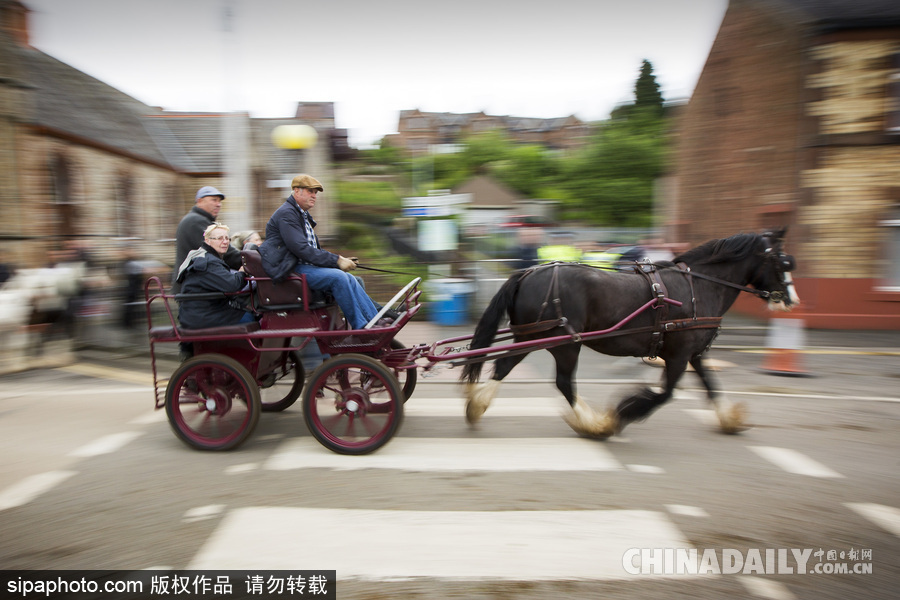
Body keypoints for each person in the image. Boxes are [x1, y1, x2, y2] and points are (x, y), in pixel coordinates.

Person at [258, 174, 392, 330]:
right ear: (297, 191)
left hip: (302, 266)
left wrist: (339, 260)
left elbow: (311, 250)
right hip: (290, 269)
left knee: (350, 278)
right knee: (339, 278)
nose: (314, 196)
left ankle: (374, 320)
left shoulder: (300, 214)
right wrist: (337, 260)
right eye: (310, 191)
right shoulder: (287, 214)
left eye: (316, 192)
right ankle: (361, 326)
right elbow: (301, 249)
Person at [175, 223, 256, 330]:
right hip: (203, 315)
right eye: (219, 238)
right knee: (250, 318)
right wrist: (242, 272)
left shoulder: (206, 257)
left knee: (249, 311)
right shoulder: (207, 262)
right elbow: (232, 285)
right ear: (208, 241)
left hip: (202, 312)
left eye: (227, 238)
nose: (225, 241)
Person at [172, 186, 241, 292]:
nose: (218, 204)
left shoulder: (194, 219)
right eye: (214, 200)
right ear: (200, 201)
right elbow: (226, 253)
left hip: (192, 288)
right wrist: (247, 261)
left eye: (219, 201)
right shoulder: (196, 221)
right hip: (195, 292)